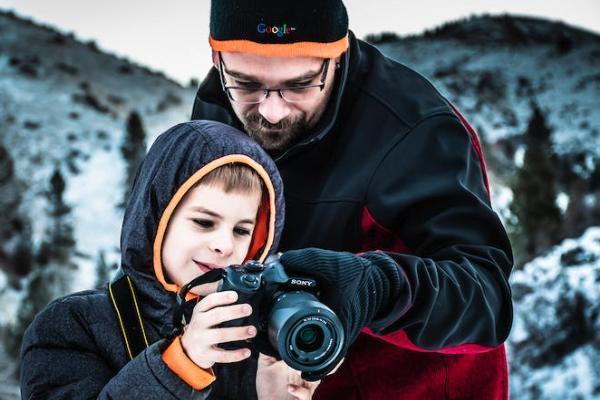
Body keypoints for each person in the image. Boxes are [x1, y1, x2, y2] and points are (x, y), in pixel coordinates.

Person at [191, 1, 514, 399]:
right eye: (247, 84)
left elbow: (486, 302)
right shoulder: (216, 111)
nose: (271, 112)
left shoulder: (413, 132)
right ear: (216, 57)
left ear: (338, 55)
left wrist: (378, 288)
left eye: (300, 85)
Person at [20, 120, 319, 399]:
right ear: (155, 220)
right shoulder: (71, 326)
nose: (224, 246)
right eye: (204, 222)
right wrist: (180, 365)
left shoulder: (256, 339)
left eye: (242, 230)